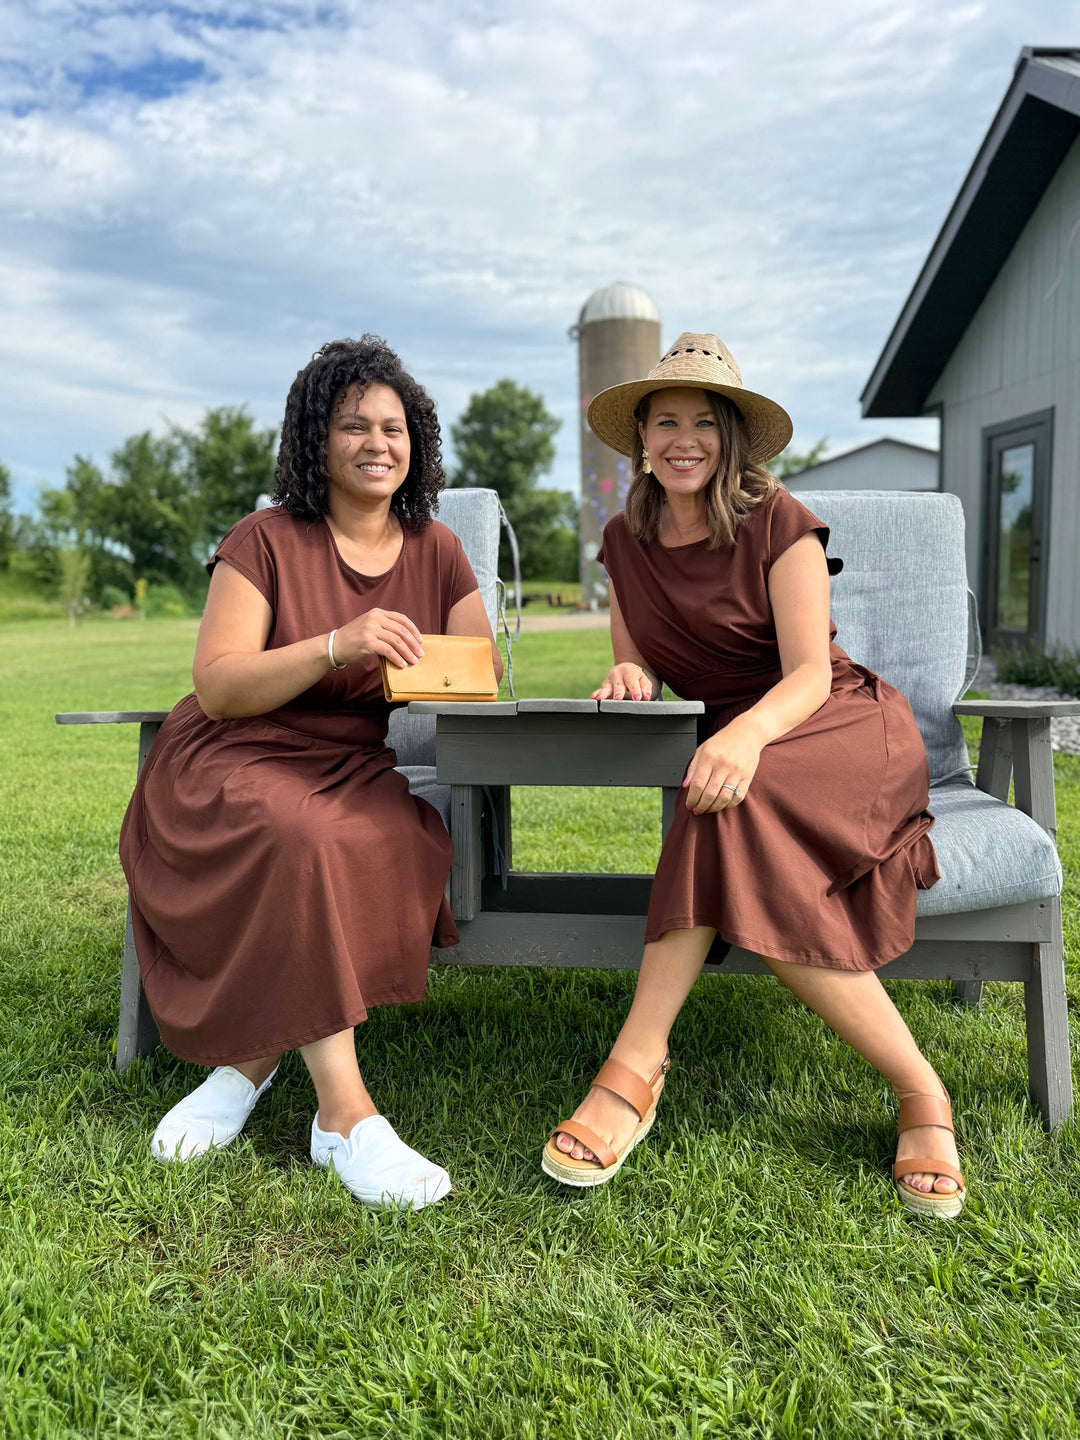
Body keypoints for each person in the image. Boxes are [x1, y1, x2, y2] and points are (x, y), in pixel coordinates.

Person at [542, 334, 965, 1219]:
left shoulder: (781, 520)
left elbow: (811, 672)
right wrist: (631, 679)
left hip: (837, 723)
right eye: (666, 422)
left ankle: (635, 1068)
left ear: (732, 437)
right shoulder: (624, 540)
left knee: (721, 799)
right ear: (641, 440)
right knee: (725, 807)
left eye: (704, 421)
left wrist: (743, 737)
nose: (684, 438)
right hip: (746, 739)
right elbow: (638, 662)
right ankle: (921, 1091)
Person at [120, 336, 501, 1210]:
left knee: (375, 834)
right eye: (353, 425)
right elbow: (217, 686)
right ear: (315, 440)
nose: (377, 443)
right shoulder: (266, 539)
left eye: (394, 427)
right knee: (302, 836)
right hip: (231, 756)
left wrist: (438, 668)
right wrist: (339, 642)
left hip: (349, 764)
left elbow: (477, 670)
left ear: (417, 442)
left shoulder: (435, 547)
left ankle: (245, 1068)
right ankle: (346, 1115)